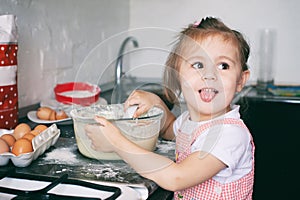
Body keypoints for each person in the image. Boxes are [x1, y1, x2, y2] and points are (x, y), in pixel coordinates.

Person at [85, 16, 254, 199]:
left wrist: (116, 143)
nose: (209, 75)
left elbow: (176, 177)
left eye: (223, 65)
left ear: (240, 80)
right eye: (198, 65)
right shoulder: (191, 120)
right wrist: (157, 104)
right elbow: (169, 129)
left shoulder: (229, 134)